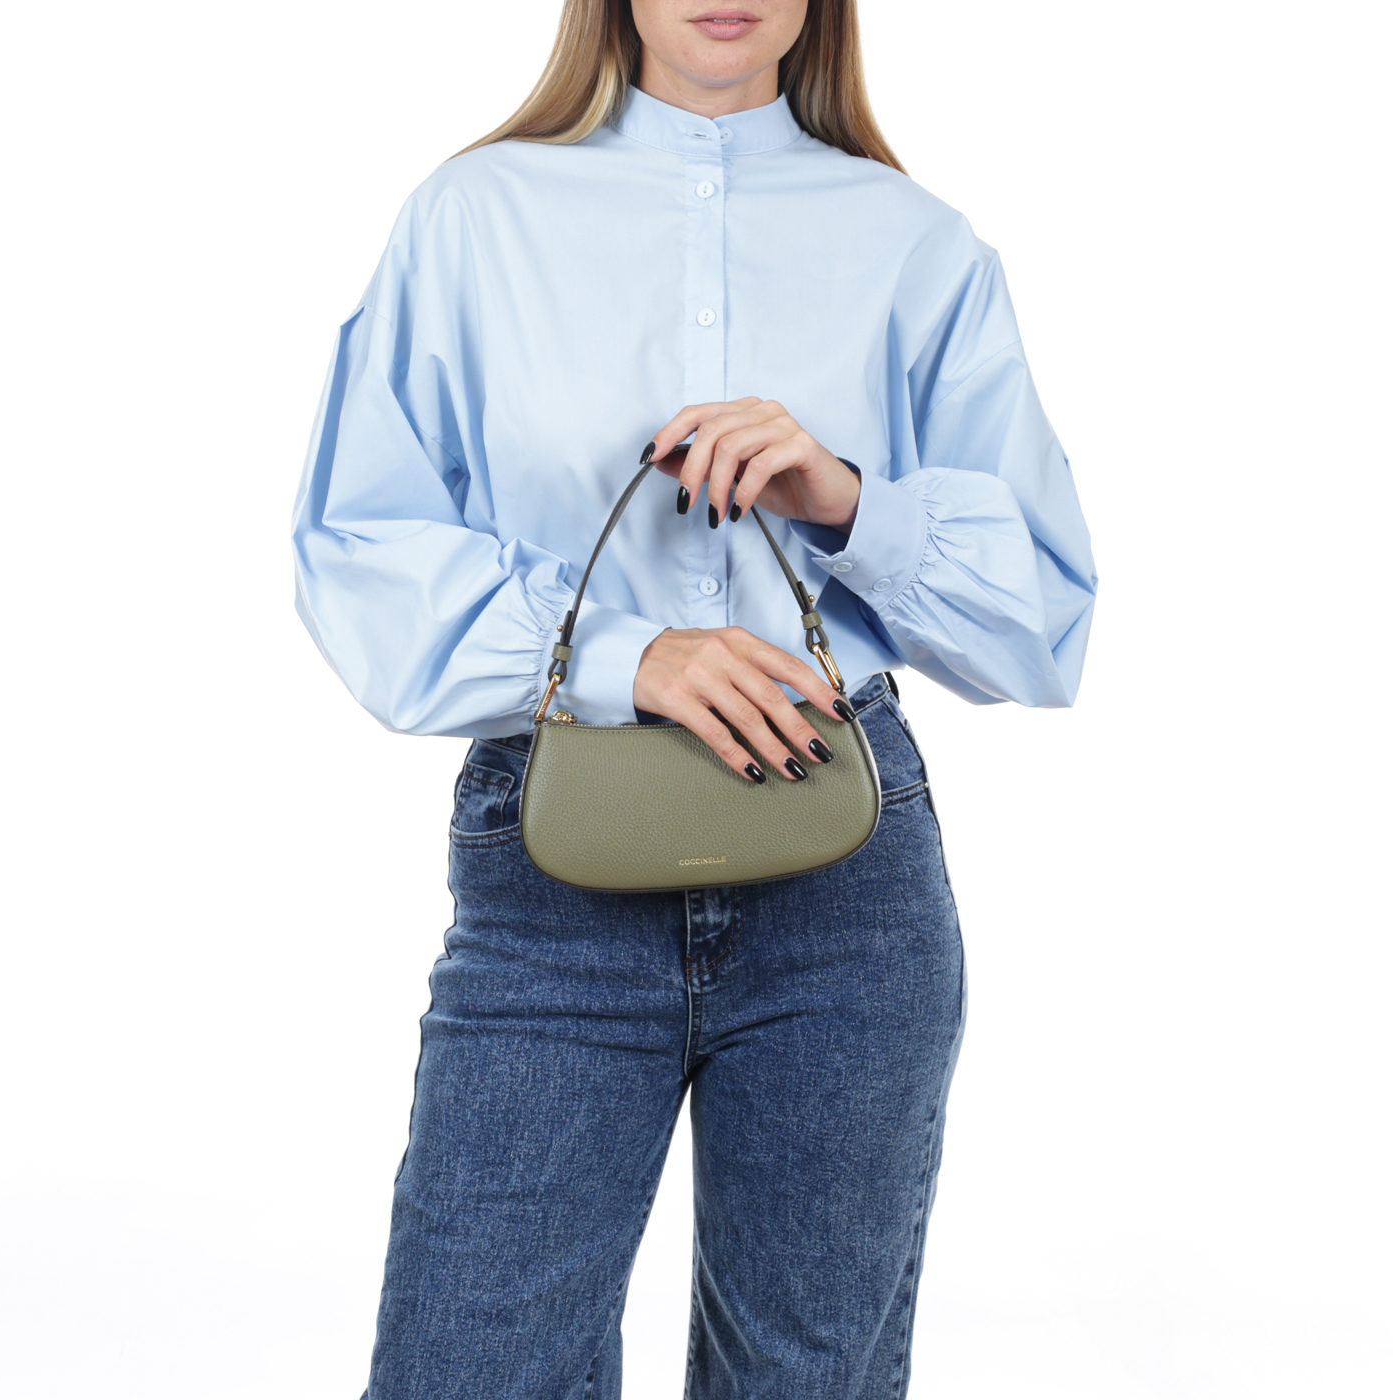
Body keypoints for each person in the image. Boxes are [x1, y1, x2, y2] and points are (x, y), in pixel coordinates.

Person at [290, 2, 1096, 1395]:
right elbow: (358, 545)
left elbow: (1043, 621)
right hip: (557, 873)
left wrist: (845, 499)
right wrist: (625, 655)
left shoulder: (918, 245)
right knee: (468, 1363)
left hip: (844, 881)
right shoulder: (475, 217)